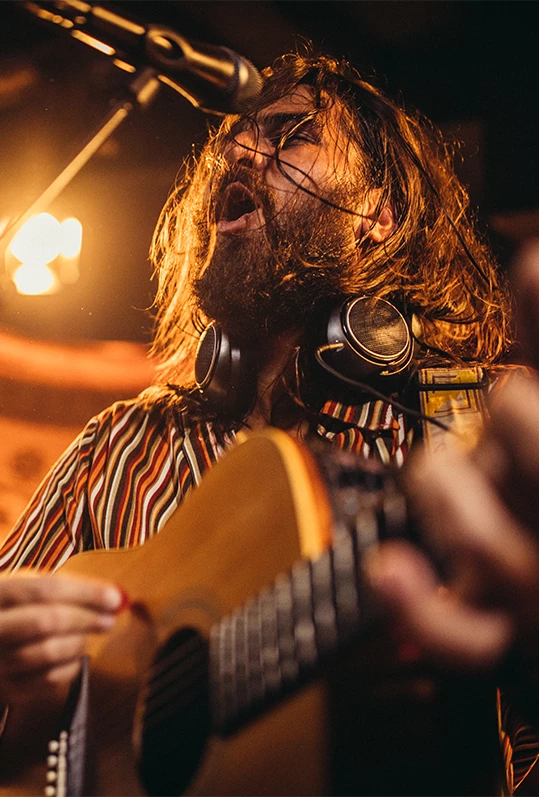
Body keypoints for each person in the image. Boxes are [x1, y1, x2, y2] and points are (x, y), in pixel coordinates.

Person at [0, 49, 538, 794]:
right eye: (236, 136)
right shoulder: (118, 447)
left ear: (377, 217)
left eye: (290, 136)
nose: (239, 149)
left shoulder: (477, 422)